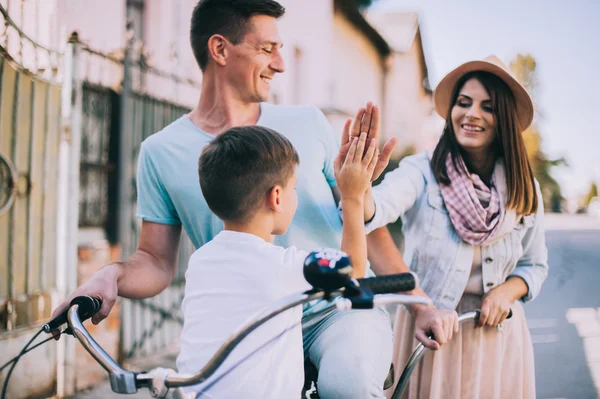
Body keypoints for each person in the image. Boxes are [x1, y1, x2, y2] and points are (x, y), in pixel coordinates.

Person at [51, 1, 414, 397]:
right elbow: (155, 260)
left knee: (350, 385)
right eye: (266, 49)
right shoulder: (160, 151)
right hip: (251, 322)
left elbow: (364, 221)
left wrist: (420, 302)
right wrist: (113, 275)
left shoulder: (308, 122)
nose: (280, 64)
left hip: (336, 310)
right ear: (220, 49)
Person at [355, 55, 548, 398]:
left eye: (487, 107)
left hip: (499, 338)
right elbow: (373, 211)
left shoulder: (524, 187)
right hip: (431, 332)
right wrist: (358, 187)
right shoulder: (421, 171)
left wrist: (506, 292)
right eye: (464, 102)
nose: (472, 113)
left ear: (502, 119)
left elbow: (534, 265)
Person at [178, 125, 380, 398]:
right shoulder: (284, 267)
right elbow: (352, 270)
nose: (295, 196)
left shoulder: (200, 261)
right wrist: (353, 196)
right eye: (293, 188)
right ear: (276, 197)